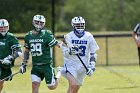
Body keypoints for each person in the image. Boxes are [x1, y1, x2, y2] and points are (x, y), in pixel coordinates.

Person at [19, 14, 62, 93]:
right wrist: (23, 64)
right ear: (33, 22)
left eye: (41, 22)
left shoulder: (46, 34)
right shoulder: (28, 36)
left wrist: (65, 45)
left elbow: (57, 43)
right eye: (37, 22)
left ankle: (59, 72)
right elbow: (26, 51)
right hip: (36, 66)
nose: (39, 24)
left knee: (52, 87)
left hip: (46, 65)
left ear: (44, 23)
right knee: (35, 84)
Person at [60, 16, 99, 93]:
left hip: (83, 66)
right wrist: (70, 51)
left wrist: (92, 67)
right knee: (72, 86)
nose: (80, 27)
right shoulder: (68, 36)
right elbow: (65, 53)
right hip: (71, 64)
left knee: (75, 90)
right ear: (73, 25)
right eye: (78, 25)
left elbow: (93, 53)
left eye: (82, 25)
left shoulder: (89, 36)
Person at [0, 19, 23, 93]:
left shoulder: (11, 37)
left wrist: (10, 58)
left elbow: (19, 51)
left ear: (8, 27)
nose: (3, 29)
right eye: (1, 27)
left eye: (5, 27)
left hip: (5, 63)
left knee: (1, 82)